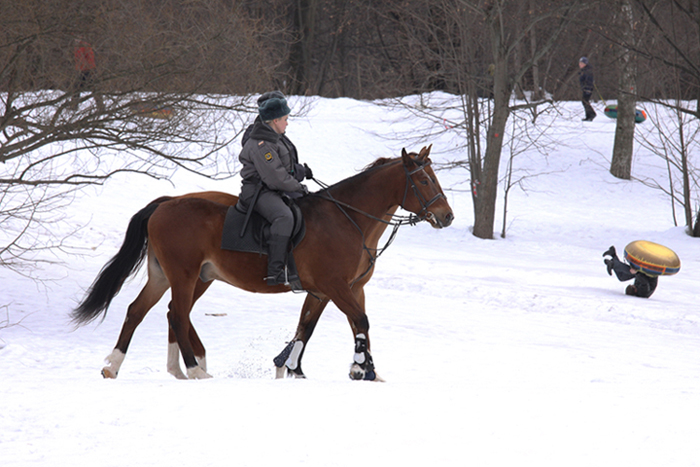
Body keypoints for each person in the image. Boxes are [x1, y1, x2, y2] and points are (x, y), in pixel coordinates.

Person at [238, 91, 312, 286]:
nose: (287, 123)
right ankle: (275, 271)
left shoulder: (276, 137)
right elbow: (275, 177)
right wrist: (299, 187)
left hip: (273, 189)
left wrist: (302, 172)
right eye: (285, 119)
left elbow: (285, 166)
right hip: (258, 192)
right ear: (275, 120)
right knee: (284, 217)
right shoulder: (261, 144)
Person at [70, 38, 104, 111]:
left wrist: (88, 68)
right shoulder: (76, 47)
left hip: (88, 70)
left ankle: (100, 107)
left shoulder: (85, 46)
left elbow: (89, 59)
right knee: (76, 88)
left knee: (94, 88)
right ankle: (74, 106)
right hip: (81, 70)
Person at [578, 57, 596, 122]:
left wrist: (588, 88)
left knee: (585, 101)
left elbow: (589, 81)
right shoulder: (584, 70)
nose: (580, 64)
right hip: (585, 88)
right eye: (580, 63)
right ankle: (588, 115)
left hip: (587, 88)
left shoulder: (587, 71)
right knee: (585, 101)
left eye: (581, 63)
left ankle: (591, 114)